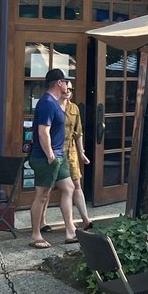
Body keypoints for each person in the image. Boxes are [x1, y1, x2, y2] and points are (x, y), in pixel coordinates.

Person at [29, 69, 76, 249]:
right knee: (42, 195)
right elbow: (43, 132)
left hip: (58, 155)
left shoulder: (55, 102)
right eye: (66, 82)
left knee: (69, 187)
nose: (67, 86)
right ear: (59, 83)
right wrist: (50, 156)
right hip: (46, 157)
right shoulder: (47, 103)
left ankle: (70, 230)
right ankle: (35, 235)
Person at [40, 80, 92, 232]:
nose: (68, 91)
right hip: (56, 151)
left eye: (71, 89)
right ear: (60, 88)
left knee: (75, 185)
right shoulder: (52, 106)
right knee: (48, 188)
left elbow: (79, 132)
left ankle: (86, 219)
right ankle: (43, 221)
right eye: (66, 88)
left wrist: (81, 152)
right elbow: (45, 131)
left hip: (71, 152)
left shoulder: (74, 108)